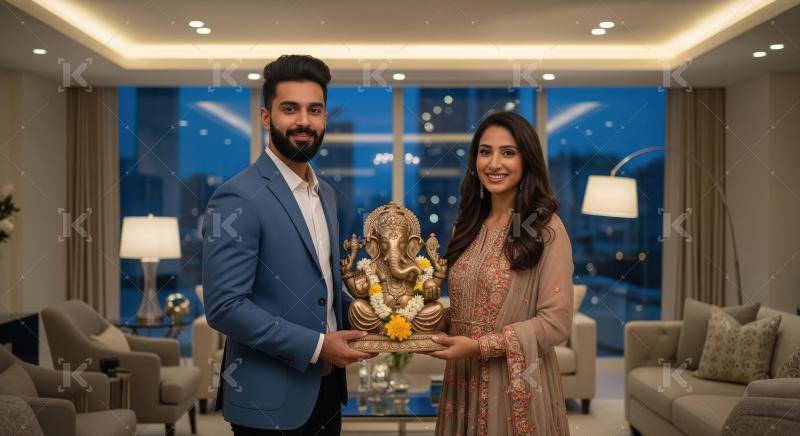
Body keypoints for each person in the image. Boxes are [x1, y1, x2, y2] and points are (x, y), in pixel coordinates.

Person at [202, 54, 373, 436]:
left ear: (325, 117)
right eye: (290, 109)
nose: (304, 122)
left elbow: (324, 291)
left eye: (315, 110)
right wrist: (318, 346)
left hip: (327, 391)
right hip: (268, 403)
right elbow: (225, 308)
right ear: (266, 118)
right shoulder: (237, 197)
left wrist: (375, 317)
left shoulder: (324, 193)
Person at [429, 111, 574, 435]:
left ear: (527, 161)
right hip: (461, 379)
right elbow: (468, 304)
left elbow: (556, 322)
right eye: (485, 151)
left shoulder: (545, 229)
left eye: (508, 152)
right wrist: (426, 321)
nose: (494, 163)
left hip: (513, 382)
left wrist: (480, 347)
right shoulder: (466, 225)